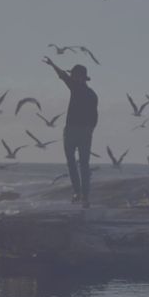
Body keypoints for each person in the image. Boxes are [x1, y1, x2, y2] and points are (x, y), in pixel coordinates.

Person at [43, 56, 98, 207]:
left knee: (75, 163)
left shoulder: (77, 87)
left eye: (74, 75)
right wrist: (90, 130)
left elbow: (63, 76)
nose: (72, 77)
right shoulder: (93, 94)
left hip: (74, 131)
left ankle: (79, 194)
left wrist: (53, 64)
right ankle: (83, 196)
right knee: (81, 164)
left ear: (80, 77)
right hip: (84, 132)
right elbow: (95, 116)